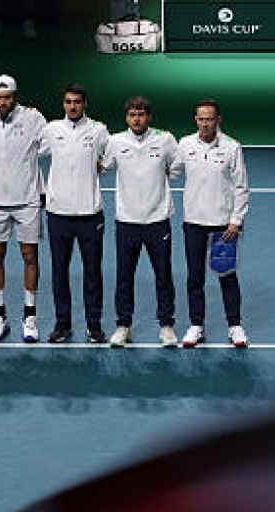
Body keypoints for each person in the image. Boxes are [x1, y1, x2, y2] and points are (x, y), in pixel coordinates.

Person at [170, 98, 250, 348]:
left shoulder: (231, 147)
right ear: (196, 120)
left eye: (210, 119)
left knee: (226, 275)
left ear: (218, 120)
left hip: (223, 226)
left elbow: (241, 186)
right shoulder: (185, 144)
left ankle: (235, 326)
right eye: (201, 119)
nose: (205, 124)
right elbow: (172, 171)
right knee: (195, 277)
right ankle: (196, 326)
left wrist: (235, 221)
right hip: (193, 222)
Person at [0, 74, 48, 342]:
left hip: (27, 200)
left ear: (14, 97)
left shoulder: (33, 118)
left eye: (6, 97)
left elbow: (55, 139)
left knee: (30, 256)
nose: (2, 102)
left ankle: (30, 318)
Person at [100, 95, 179, 347]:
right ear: (127, 118)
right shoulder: (115, 141)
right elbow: (103, 167)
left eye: (141, 114)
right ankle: (124, 326)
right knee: (124, 276)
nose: (137, 119)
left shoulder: (165, 140)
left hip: (158, 220)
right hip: (127, 221)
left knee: (163, 275)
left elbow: (176, 167)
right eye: (132, 114)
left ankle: (166, 326)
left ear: (148, 116)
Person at [39, 83, 109, 343]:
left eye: (77, 101)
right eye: (68, 101)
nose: (72, 106)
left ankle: (94, 325)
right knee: (60, 271)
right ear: (63, 104)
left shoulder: (99, 131)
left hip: (91, 214)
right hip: (58, 213)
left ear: (84, 104)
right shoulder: (51, 130)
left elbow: (109, 159)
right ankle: (62, 324)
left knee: (93, 272)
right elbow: (28, 155)